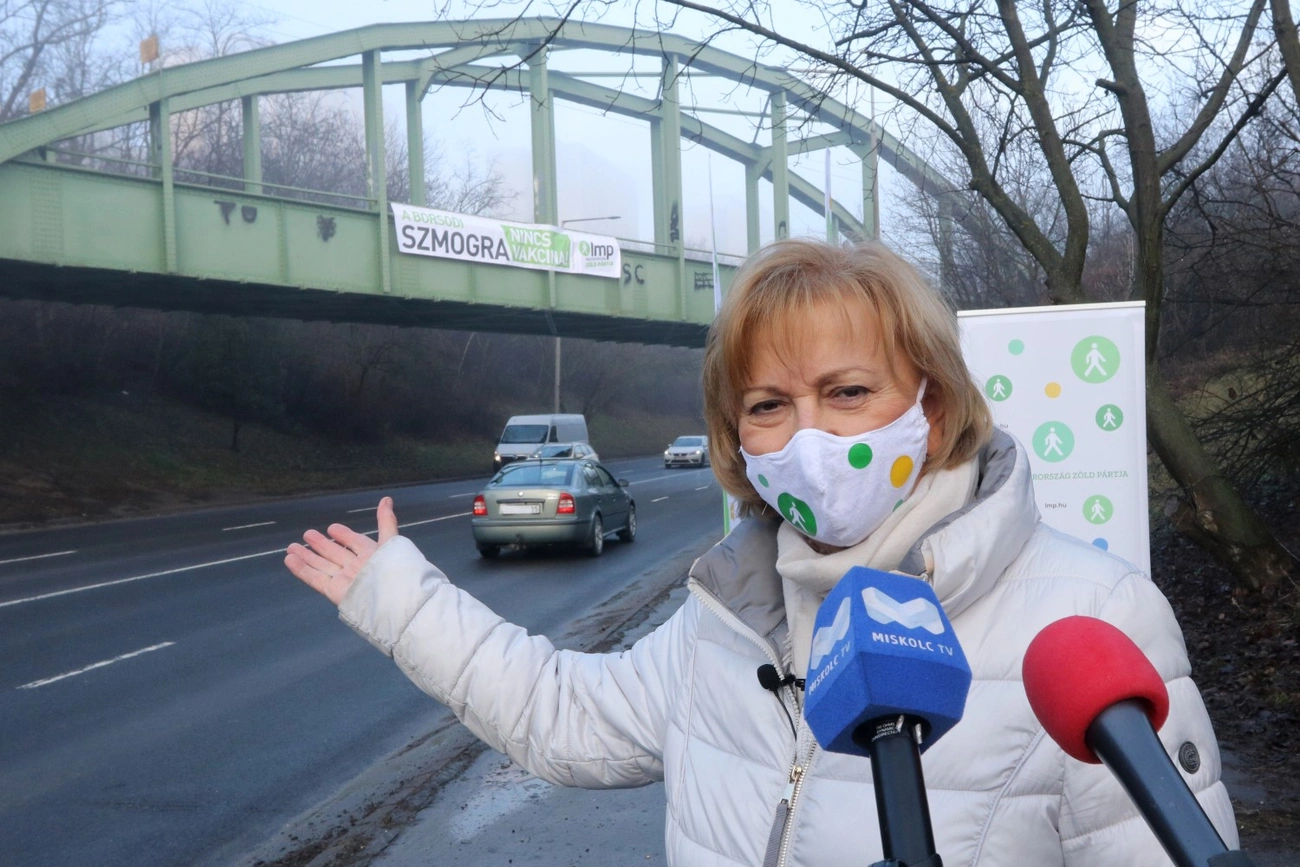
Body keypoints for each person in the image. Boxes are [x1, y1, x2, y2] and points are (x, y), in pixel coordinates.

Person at [285, 238, 1237, 866]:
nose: (808, 434)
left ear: (934, 405)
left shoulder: (1094, 617)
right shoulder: (729, 615)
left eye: (848, 391)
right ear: (737, 438)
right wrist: (402, 601)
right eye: (770, 404)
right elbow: (565, 716)